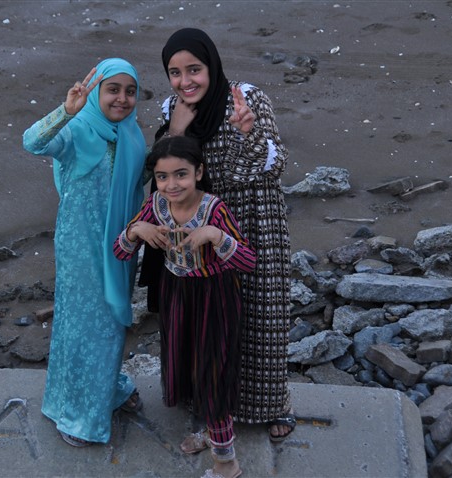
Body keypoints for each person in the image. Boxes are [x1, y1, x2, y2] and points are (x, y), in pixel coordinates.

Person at [139, 27, 296, 446]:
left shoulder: (247, 98)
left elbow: (274, 164)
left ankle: (272, 405)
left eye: (194, 69)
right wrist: (175, 128)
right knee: (205, 319)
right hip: (197, 226)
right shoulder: (175, 107)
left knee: (260, 315)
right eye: (175, 72)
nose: (185, 81)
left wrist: (248, 132)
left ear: (211, 65)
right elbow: (164, 167)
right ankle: (209, 404)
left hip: (254, 219)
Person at [114, 135, 255, 478]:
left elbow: (249, 261)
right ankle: (211, 430)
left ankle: (227, 464)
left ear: (199, 172)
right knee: (191, 365)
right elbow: (119, 252)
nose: (172, 184)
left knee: (214, 373)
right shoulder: (156, 205)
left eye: (181, 174)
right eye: (162, 177)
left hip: (215, 299)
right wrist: (136, 230)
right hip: (176, 295)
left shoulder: (214, 209)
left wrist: (215, 236)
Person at [22, 58, 146, 447]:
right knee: (83, 327)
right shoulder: (76, 131)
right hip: (80, 247)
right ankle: (77, 416)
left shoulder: (131, 135)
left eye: (130, 91)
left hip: (121, 248)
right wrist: (66, 110)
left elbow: (144, 180)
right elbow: (32, 142)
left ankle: (106, 390)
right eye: (113, 90)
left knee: (111, 325)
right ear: (96, 93)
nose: (122, 99)